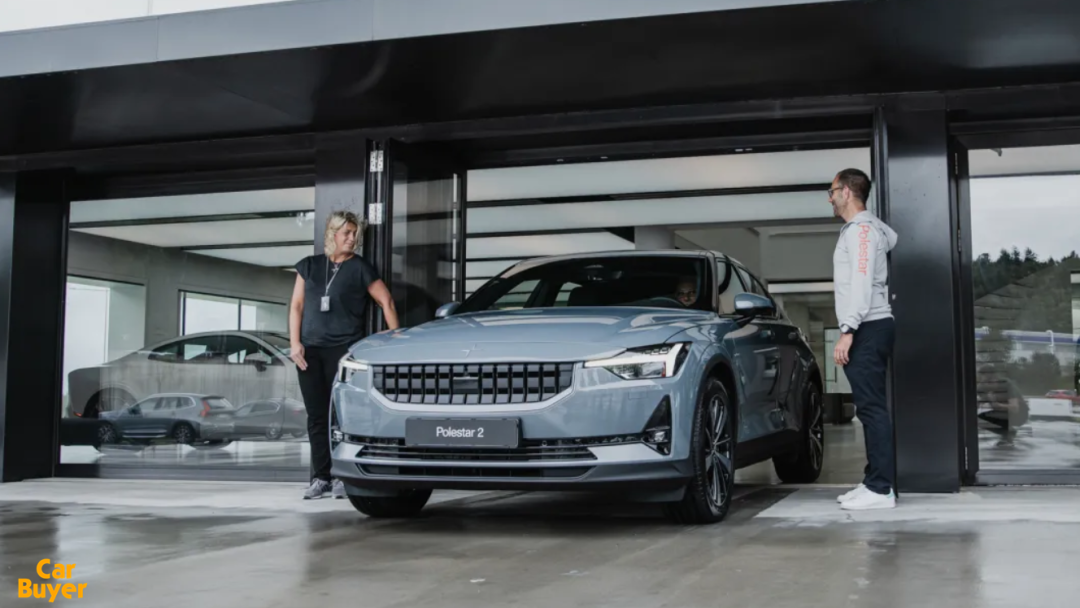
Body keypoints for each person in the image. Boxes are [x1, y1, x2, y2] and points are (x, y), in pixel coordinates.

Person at [290, 210, 399, 500]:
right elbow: (297, 306)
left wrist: (396, 339)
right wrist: (295, 343)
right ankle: (321, 477)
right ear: (333, 233)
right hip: (309, 352)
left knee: (341, 415)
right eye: (347, 233)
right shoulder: (309, 266)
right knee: (316, 416)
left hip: (344, 352)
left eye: (355, 234)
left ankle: (342, 476)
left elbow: (386, 301)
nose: (352, 238)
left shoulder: (360, 267)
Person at [828, 168, 900, 511]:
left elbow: (860, 282)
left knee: (871, 409)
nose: (830, 199)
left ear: (846, 192)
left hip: (867, 327)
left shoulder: (861, 231)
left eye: (832, 192)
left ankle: (881, 489)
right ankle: (873, 480)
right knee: (869, 407)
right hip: (870, 326)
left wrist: (848, 331)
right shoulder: (866, 230)